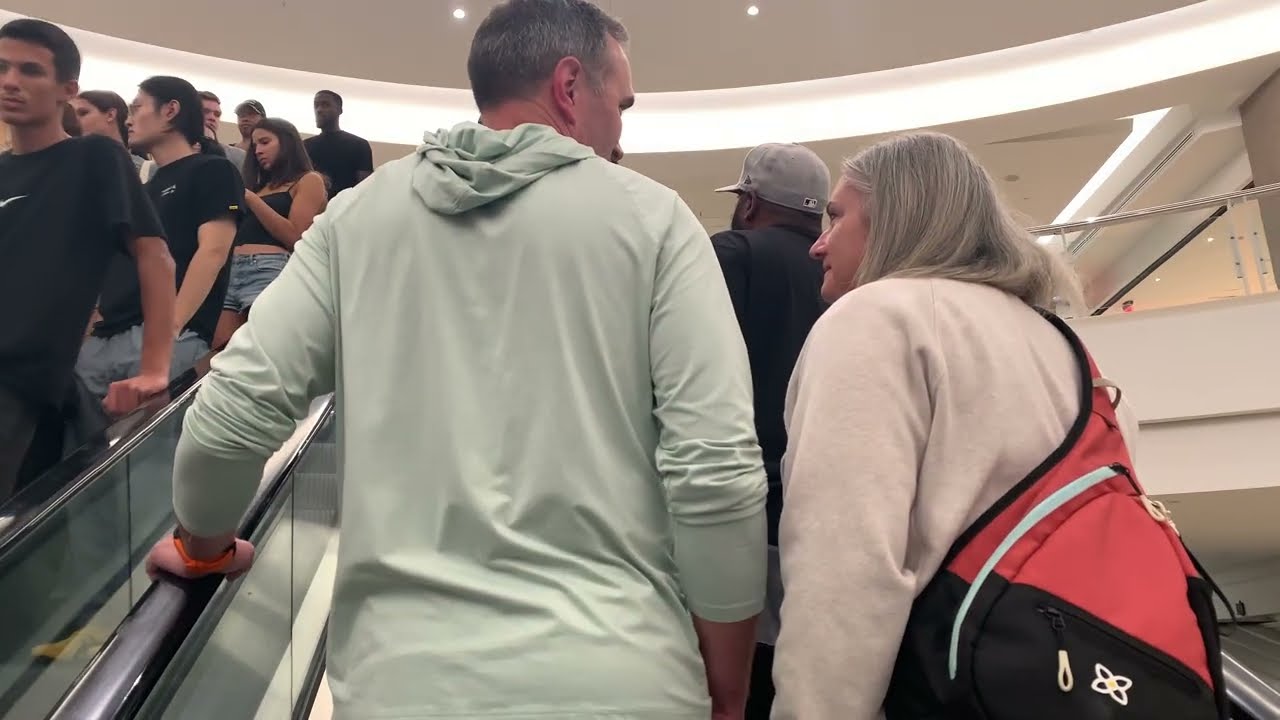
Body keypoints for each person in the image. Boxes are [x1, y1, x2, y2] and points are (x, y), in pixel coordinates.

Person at [146, 0, 767, 717]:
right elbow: (716, 469)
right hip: (622, 676)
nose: (621, 129)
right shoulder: (655, 220)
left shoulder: (360, 218)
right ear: (570, 87)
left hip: (402, 685)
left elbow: (233, 410)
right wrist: (727, 688)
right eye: (619, 104)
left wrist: (206, 544)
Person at [770, 132, 1131, 718]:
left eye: (836, 218)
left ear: (893, 221)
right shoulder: (1064, 347)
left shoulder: (876, 317)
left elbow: (846, 572)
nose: (819, 244)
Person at [0, 19, 174, 500]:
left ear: (66, 89)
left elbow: (155, 256)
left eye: (30, 70)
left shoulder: (94, 157)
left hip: (21, 385)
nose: (11, 80)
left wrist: (155, 366)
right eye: (2, 67)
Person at [709, 142, 829, 719]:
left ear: (749, 202)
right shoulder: (848, 273)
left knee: (730, 690)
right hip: (824, 521)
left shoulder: (731, 255)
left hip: (739, 519)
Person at [77, 76, 241, 401]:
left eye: (137, 108)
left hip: (164, 335)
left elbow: (213, 251)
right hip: (106, 335)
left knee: (140, 444)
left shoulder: (214, 170)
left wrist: (169, 329)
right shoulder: (144, 188)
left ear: (170, 110)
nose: (128, 118)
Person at [213, 117, 326, 348]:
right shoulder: (259, 186)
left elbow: (296, 236)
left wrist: (252, 200)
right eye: (255, 145)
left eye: (265, 142)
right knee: (220, 353)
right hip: (232, 270)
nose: (257, 150)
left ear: (286, 143)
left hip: (268, 267)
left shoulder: (308, 180)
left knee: (264, 349)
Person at [304, 89, 373, 196]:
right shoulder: (304, 146)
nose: (319, 110)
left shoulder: (359, 145)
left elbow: (364, 188)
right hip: (312, 208)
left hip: (346, 208)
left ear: (339, 110)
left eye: (325, 105)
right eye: (316, 105)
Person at [72, 90, 143, 172]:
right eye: (73, 115)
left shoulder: (144, 171)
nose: (75, 120)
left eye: (83, 113)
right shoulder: (72, 166)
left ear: (110, 115)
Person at [199, 90, 247, 172]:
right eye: (205, 111)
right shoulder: (173, 151)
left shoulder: (237, 156)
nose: (212, 118)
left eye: (217, 115)